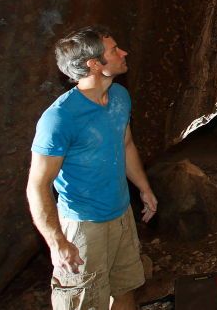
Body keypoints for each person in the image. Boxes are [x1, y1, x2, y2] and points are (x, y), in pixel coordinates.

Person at [26, 26, 158, 310]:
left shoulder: (120, 97)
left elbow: (126, 145)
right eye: (114, 50)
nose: (124, 53)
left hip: (121, 215)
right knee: (83, 303)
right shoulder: (59, 118)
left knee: (125, 290)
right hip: (83, 226)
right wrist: (56, 241)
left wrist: (143, 188)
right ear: (94, 64)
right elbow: (37, 185)